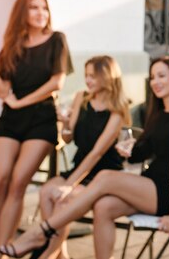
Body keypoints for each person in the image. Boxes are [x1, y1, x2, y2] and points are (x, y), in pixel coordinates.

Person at [0, 56, 169, 259]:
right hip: (148, 184)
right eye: (152, 77)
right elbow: (140, 155)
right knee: (103, 207)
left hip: (168, 192)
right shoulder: (156, 113)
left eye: (161, 76)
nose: (155, 81)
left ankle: (41, 232)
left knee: (104, 176)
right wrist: (128, 150)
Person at [0, 0, 73, 256]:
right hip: (11, 119)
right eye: (34, 7)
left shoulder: (56, 40)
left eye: (44, 8)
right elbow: (3, 91)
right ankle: (1, 248)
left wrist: (22, 102)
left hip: (41, 119)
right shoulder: (12, 45)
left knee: (17, 183)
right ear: (22, 13)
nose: (41, 13)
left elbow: (56, 82)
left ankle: (3, 253)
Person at [35, 55, 131, 259]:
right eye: (86, 75)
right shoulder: (82, 97)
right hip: (79, 167)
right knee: (46, 191)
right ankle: (59, 253)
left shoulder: (118, 110)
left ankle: (47, 254)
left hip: (103, 174)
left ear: (107, 77)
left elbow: (97, 153)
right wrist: (66, 123)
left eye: (93, 76)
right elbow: (68, 139)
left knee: (62, 199)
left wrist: (69, 184)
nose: (88, 80)